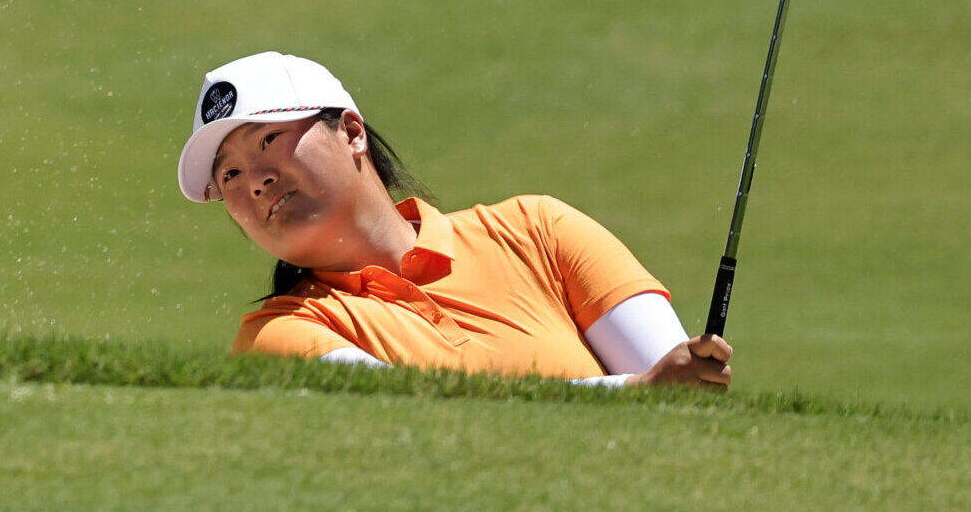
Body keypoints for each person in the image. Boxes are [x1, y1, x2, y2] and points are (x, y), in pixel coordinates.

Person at [178, 51, 732, 388]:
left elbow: (679, 395)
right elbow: (432, 423)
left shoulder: (537, 230)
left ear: (351, 132)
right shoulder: (277, 337)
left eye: (269, 140)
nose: (255, 180)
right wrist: (636, 392)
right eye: (228, 176)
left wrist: (662, 384)